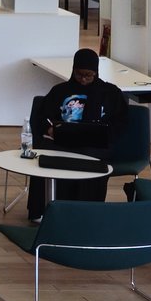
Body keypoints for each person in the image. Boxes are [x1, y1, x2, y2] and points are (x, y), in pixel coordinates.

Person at [25, 48, 129, 221]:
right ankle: (43, 210)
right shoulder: (60, 91)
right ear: (73, 70)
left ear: (96, 72)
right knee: (46, 156)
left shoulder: (110, 93)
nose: (83, 79)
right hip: (62, 142)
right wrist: (50, 129)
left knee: (89, 159)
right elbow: (40, 117)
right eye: (79, 74)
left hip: (95, 146)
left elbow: (121, 123)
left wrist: (107, 135)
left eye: (89, 75)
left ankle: (84, 214)